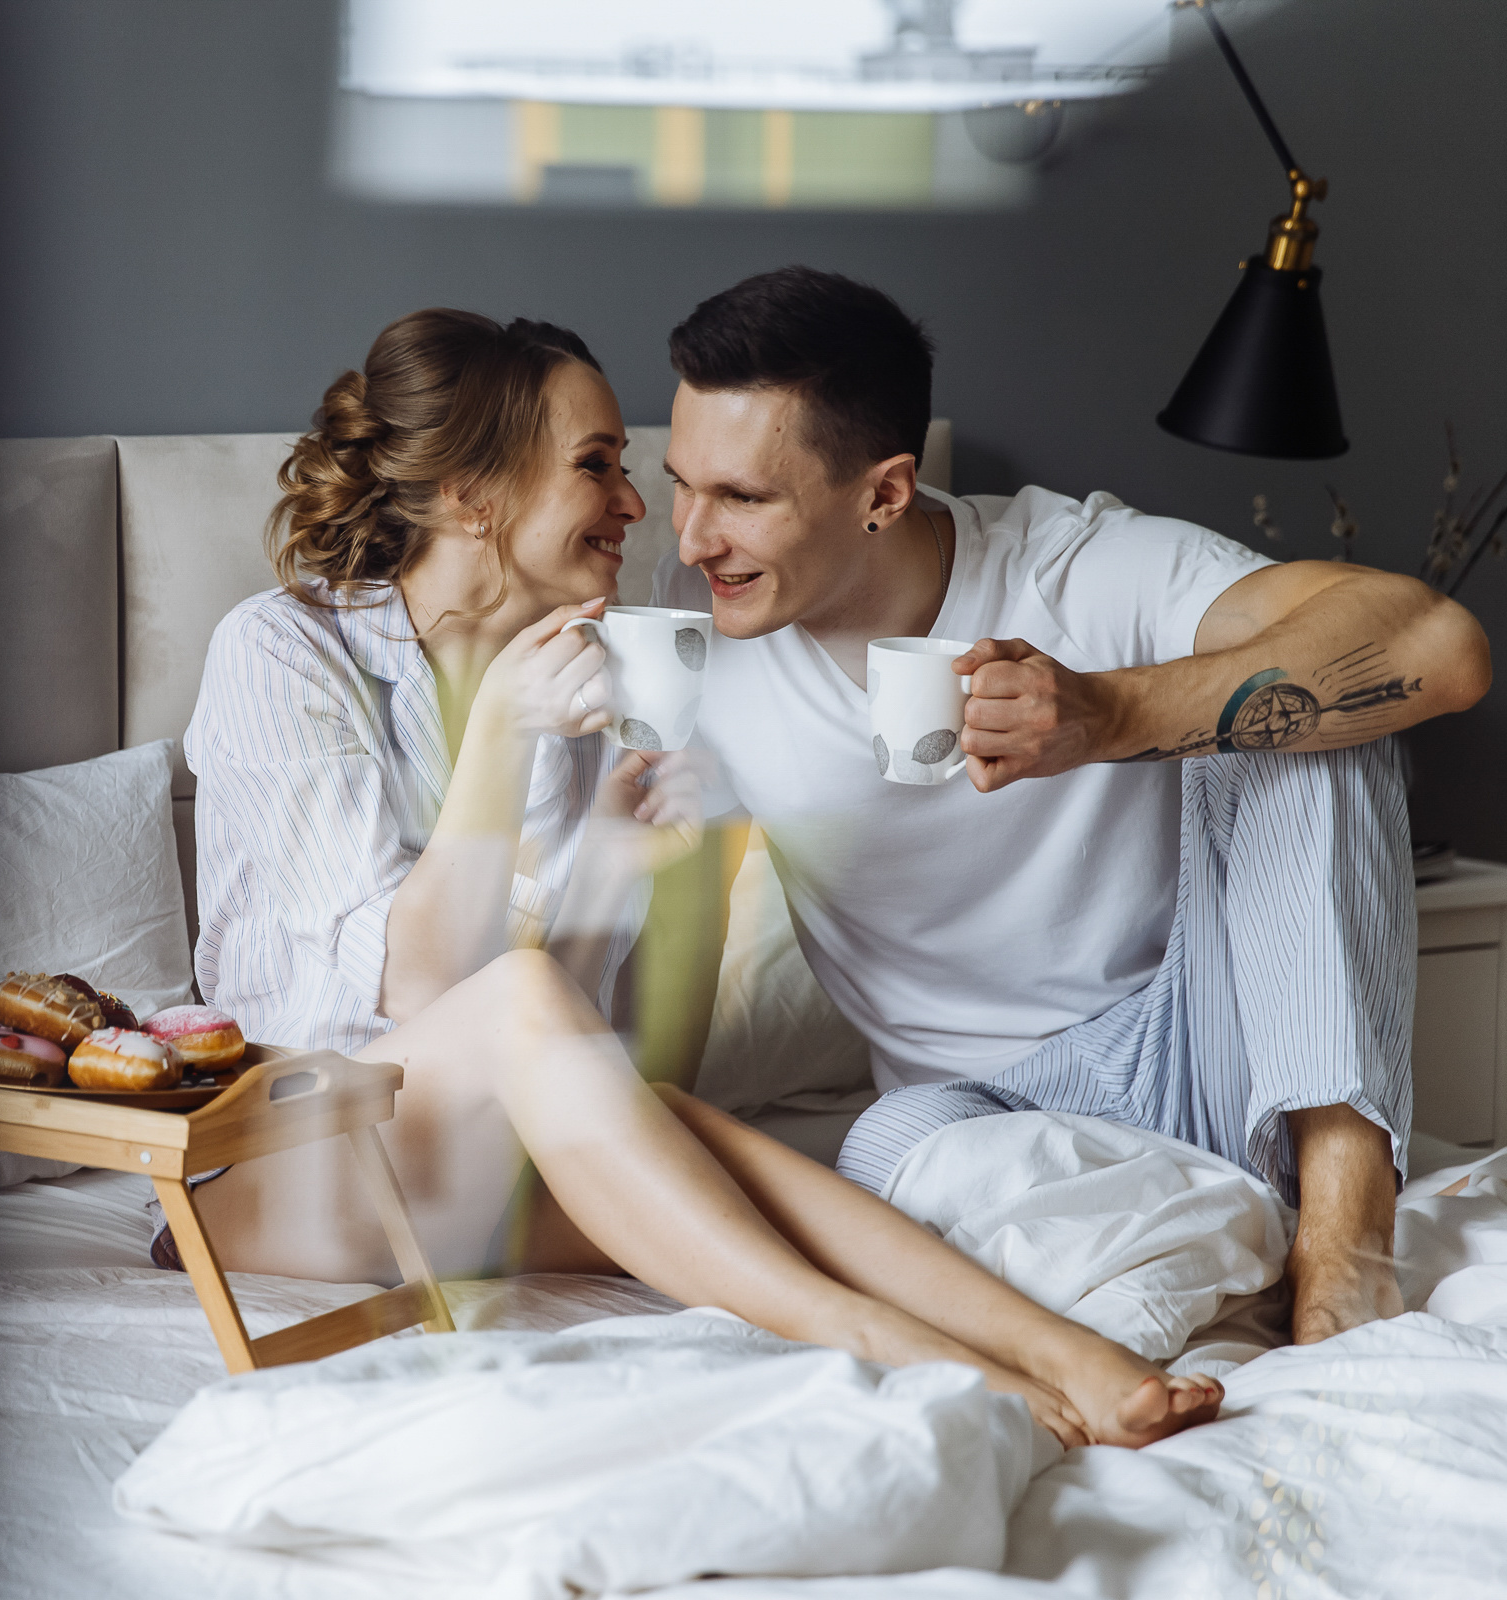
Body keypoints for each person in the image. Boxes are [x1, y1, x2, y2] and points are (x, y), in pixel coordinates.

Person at [182, 306, 1223, 1449]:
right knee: (539, 1020)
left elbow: (576, 1041)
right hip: (280, 1168)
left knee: (698, 1139)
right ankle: (887, 1344)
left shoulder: (595, 685)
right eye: (597, 465)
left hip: (470, 1162)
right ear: (473, 498)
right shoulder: (281, 654)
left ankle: (1057, 1348)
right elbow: (425, 989)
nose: (641, 509)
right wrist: (502, 738)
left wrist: (611, 873)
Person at [653, 265, 1491, 1346]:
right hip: (981, 1115)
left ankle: (1342, 1250)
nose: (692, 538)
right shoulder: (684, 631)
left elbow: (1440, 648)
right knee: (878, 1151)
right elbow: (673, 919)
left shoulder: (1075, 567)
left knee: (1312, 708)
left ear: (885, 494)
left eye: (741, 499)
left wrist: (1110, 712)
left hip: (1200, 1047)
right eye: (680, 485)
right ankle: (1207, 1241)